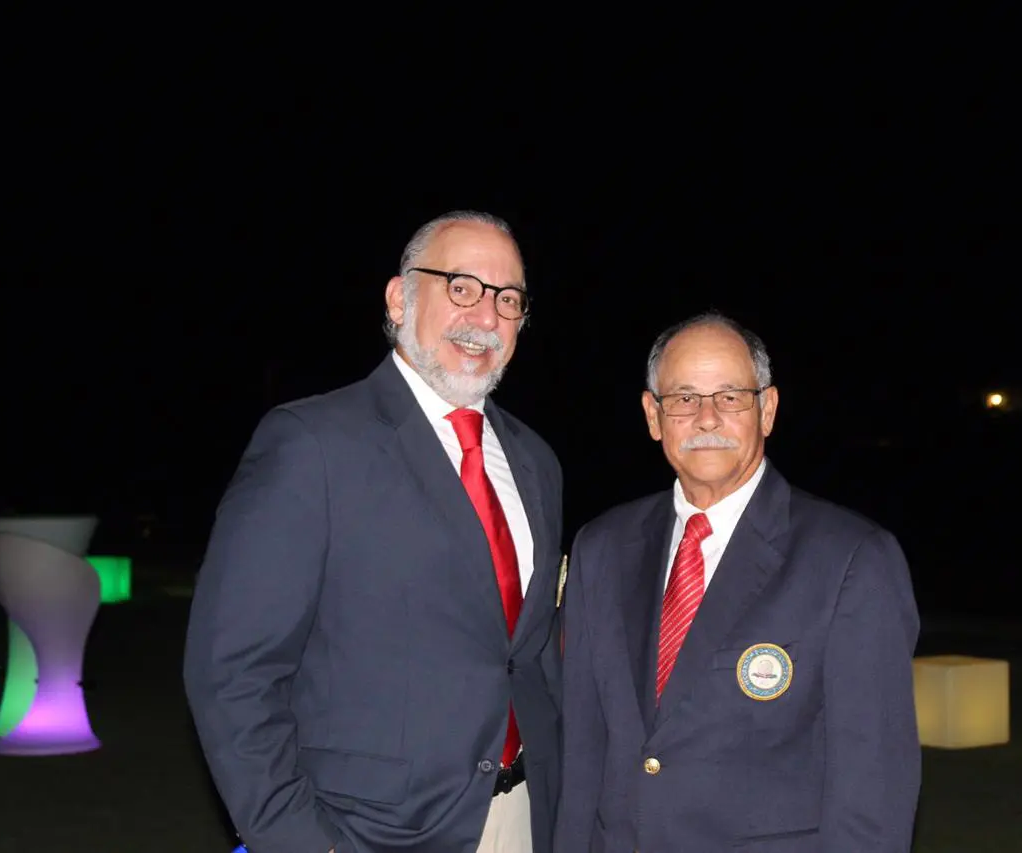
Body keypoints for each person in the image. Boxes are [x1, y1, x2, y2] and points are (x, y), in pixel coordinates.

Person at [184, 211, 565, 853]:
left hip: (525, 817)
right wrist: (297, 839)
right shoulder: (313, 444)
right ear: (399, 297)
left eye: (508, 298)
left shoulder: (536, 462)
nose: (486, 316)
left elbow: (523, 655)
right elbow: (232, 670)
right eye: (461, 286)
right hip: (367, 832)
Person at [554, 313, 921, 852]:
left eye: (730, 397)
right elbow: (583, 751)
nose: (706, 418)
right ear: (653, 416)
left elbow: (875, 787)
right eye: (683, 398)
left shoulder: (851, 560)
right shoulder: (601, 548)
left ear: (767, 410)